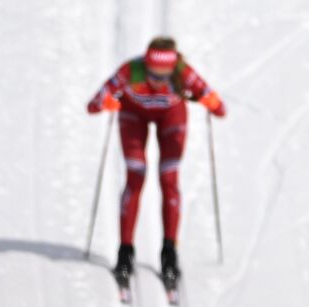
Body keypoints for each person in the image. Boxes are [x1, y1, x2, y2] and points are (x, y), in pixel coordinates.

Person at [86, 36, 225, 289]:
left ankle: (169, 253)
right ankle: (125, 252)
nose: (158, 80)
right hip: (133, 116)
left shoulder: (184, 74)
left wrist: (211, 101)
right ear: (146, 64)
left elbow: (218, 105)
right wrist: (104, 103)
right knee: (135, 176)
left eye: (165, 75)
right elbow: (93, 104)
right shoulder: (131, 71)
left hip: (171, 117)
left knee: (169, 180)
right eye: (153, 73)